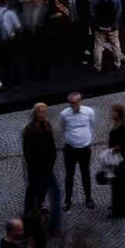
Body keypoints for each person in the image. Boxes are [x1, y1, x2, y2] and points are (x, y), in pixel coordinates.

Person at [21, 103, 61, 232]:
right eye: (41, 112)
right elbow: (27, 150)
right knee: (33, 188)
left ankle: (39, 207)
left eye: (45, 112)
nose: (43, 115)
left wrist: (51, 161)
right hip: (35, 167)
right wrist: (32, 163)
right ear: (35, 114)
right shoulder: (30, 129)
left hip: (47, 166)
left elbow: (51, 146)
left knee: (44, 188)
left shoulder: (47, 126)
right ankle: (29, 212)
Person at [60, 92, 97, 211]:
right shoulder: (64, 114)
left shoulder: (89, 112)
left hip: (84, 149)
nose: (72, 105)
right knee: (69, 175)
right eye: (70, 103)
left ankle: (88, 198)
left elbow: (91, 125)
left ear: (80, 102)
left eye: (74, 103)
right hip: (70, 149)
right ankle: (67, 200)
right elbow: (63, 128)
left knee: (85, 174)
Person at [106, 104, 125, 219]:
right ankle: (117, 206)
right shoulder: (116, 125)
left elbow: (124, 145)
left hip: (118, 159)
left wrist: (113, 149)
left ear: (119, 114)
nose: (112, 114)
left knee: (118, 184)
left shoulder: (123, 127)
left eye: (114, 112)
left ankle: (120, 211)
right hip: (114, 157)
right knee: (116, 183)